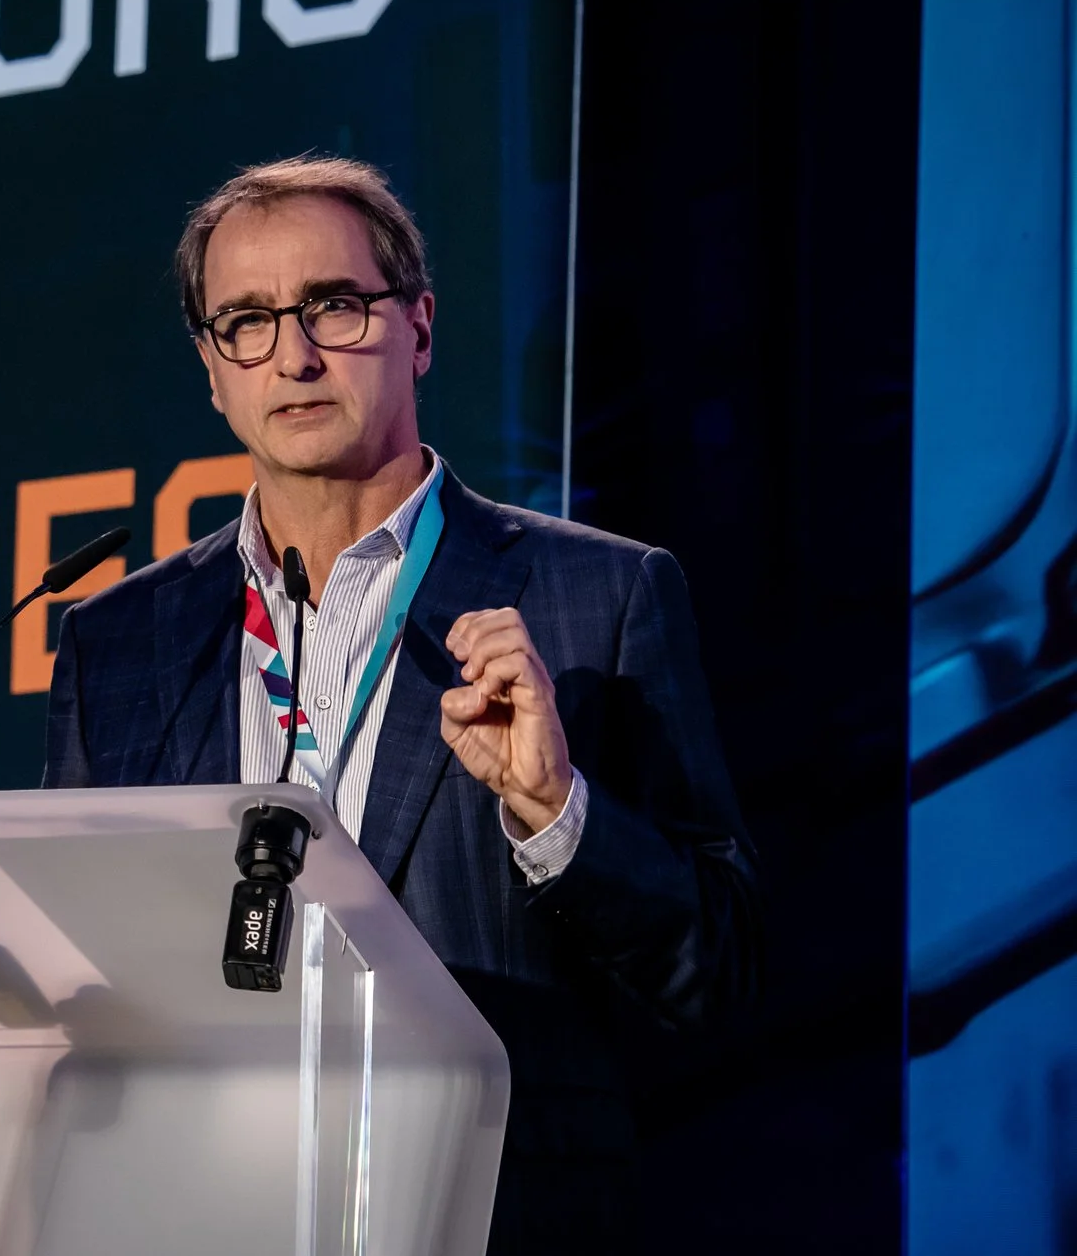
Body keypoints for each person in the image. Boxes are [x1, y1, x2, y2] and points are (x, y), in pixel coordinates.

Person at [44, 155, 757, 1255]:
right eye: (246, 322)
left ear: (418, 328)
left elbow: (719, 965)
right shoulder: (122, 641)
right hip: (201, 1212)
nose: (293, 355)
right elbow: (77, 969)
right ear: (212, 370)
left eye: (334, 305)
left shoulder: (598, 596)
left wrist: (555, 810)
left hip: (490, 1212)